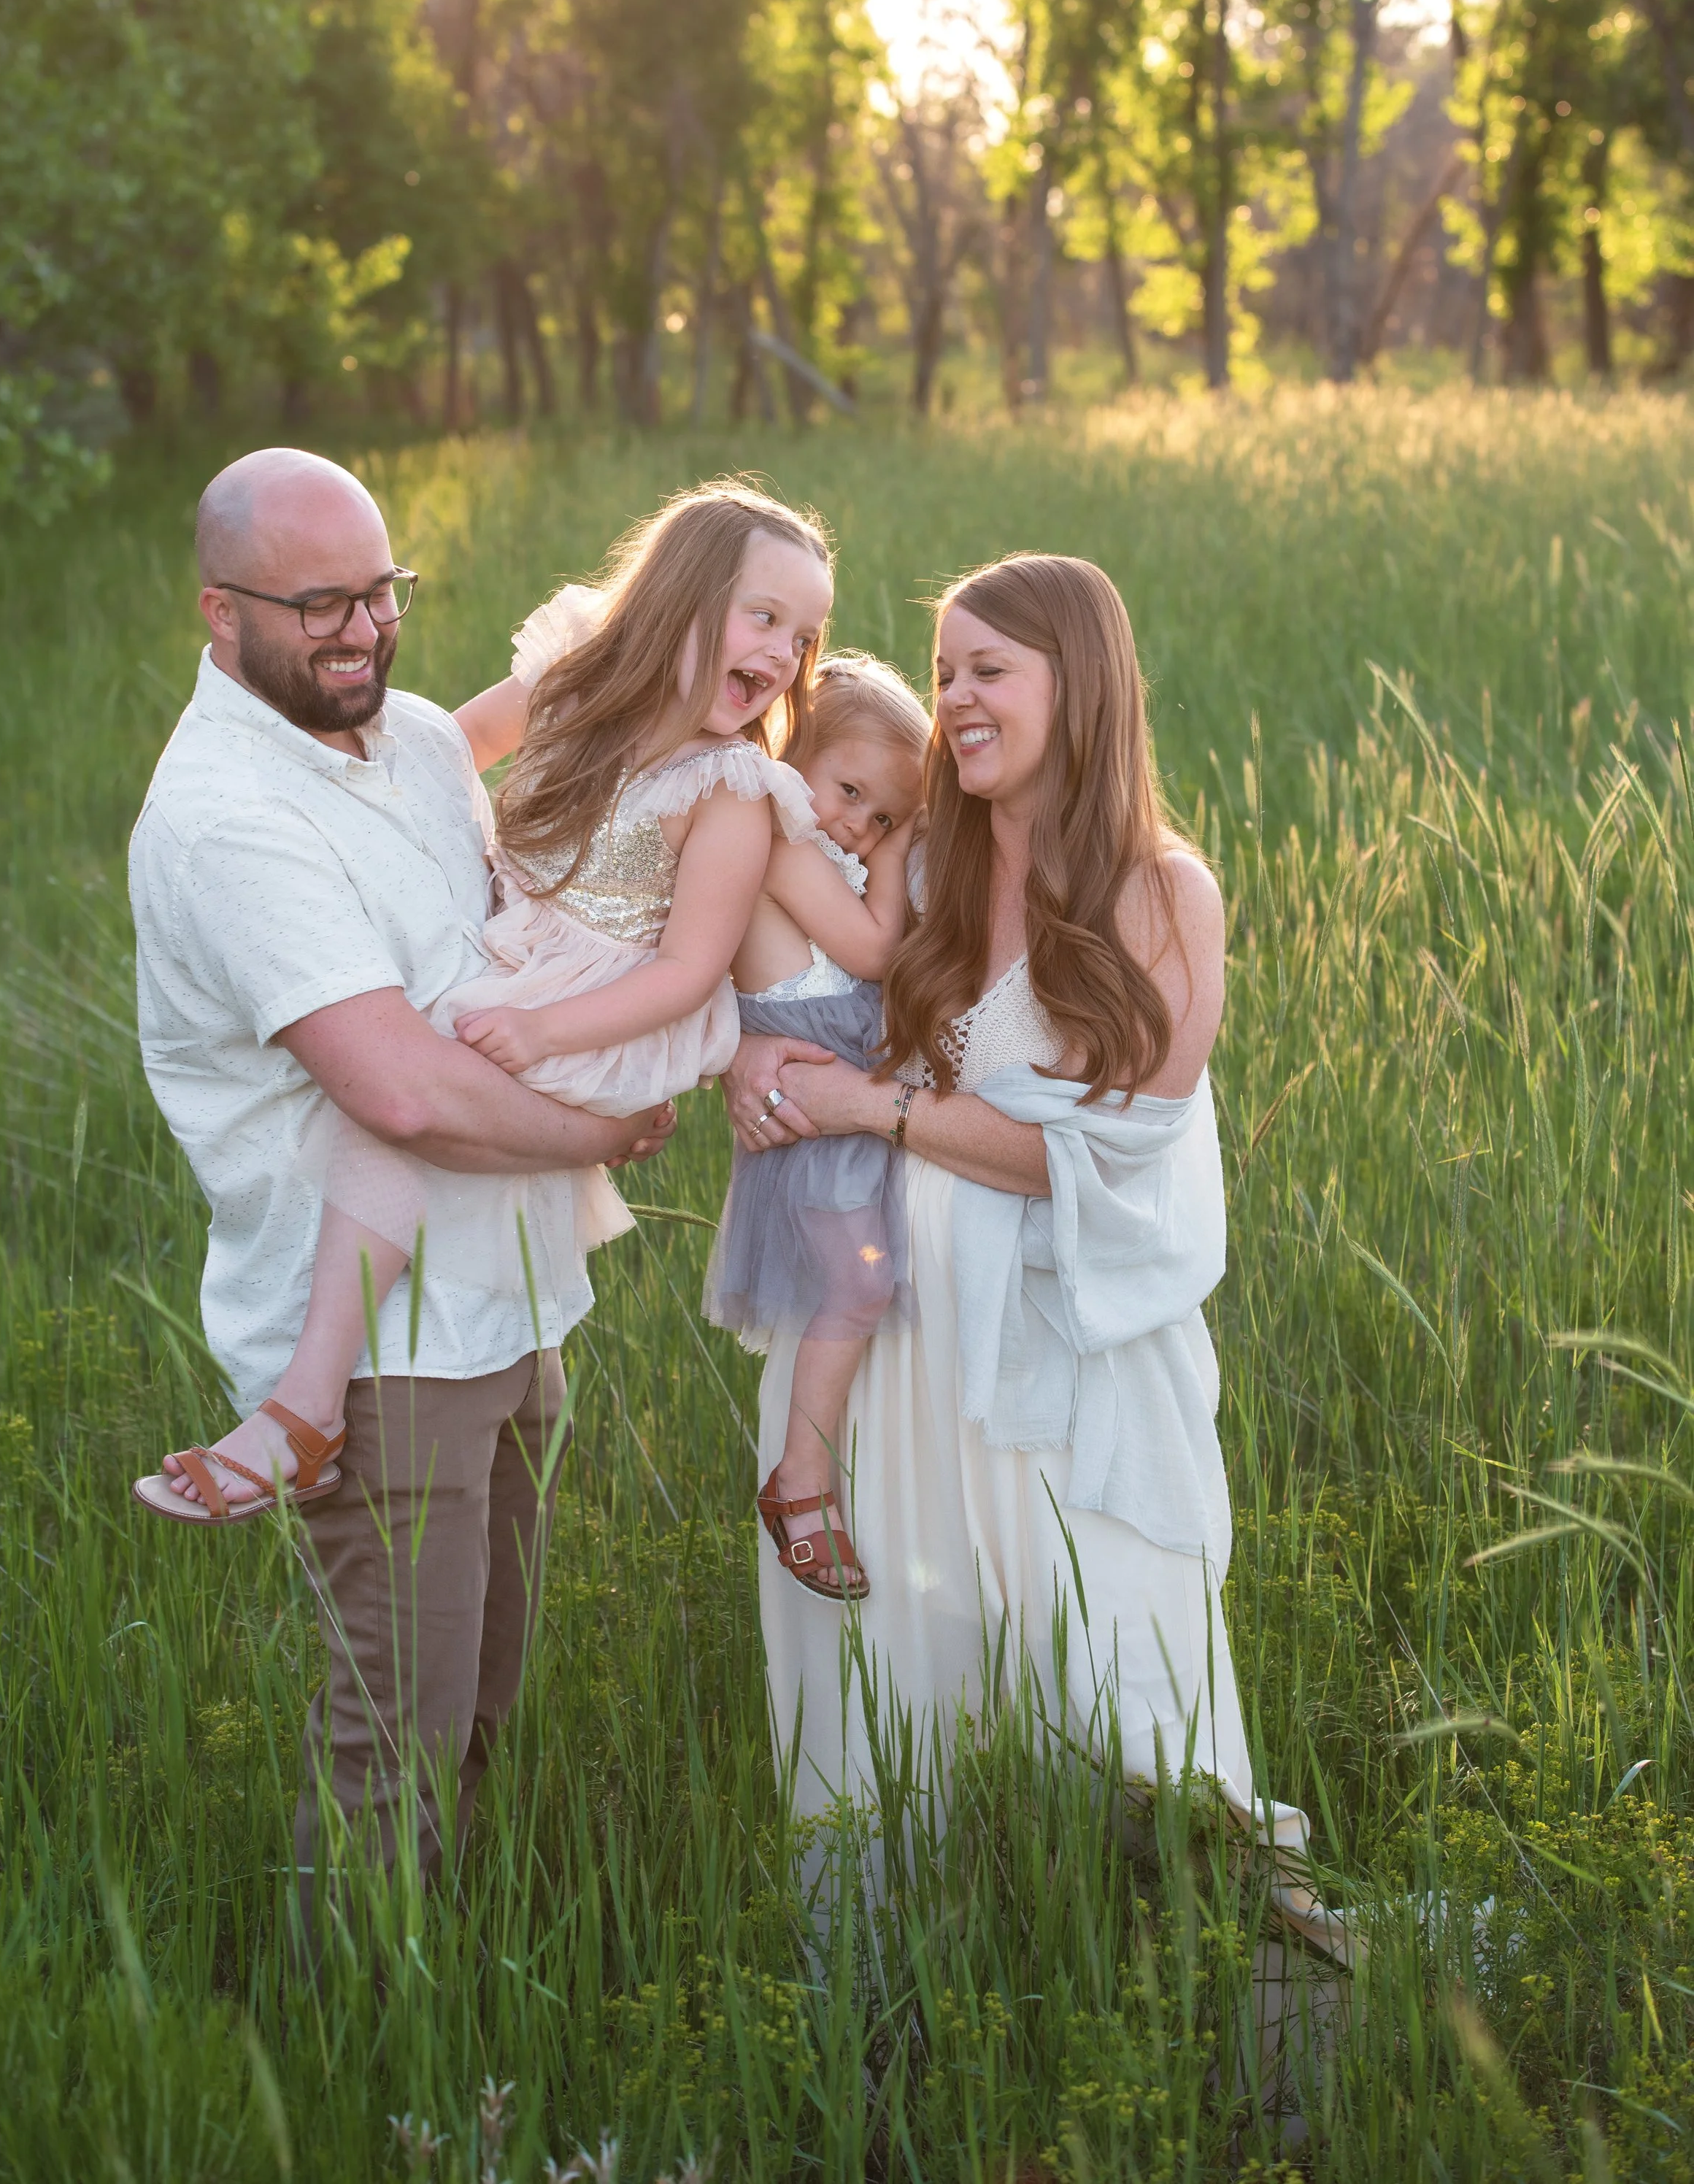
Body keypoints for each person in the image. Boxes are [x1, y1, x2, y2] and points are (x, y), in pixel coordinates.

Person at [722, 555, 1350, 1961]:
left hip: (1066, 1363)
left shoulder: (1160, 894)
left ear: (1083, 683)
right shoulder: (918, 860)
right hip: (888, 1351)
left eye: (987, 669)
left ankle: (1213, 1982)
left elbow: (1110, 1164)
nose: (954, 698)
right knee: (897, 1697)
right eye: (945, 671)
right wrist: (750, 1057)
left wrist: (877, 1107)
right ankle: (902, 2006)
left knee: (1118, 1676)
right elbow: (796, 990)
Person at [126, 447, 677, 1910]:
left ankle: (463, 1990)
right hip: (382, 1347)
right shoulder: (229, 819)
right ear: (218, 611)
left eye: (382, 592)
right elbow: (400, 1091)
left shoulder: (413, 737)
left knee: (482, 1695)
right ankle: (358, 2062)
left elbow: (534, 733)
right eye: (320, 604)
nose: (362, 629)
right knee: (397, 1738)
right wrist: (604, 1132)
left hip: (501, 1297)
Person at [136, 478, 835, 1527]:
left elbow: (695, 962)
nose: (783, 655)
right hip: (424, 1291)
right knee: (404, 1103)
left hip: (568, 1118)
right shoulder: (241, 813)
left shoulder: (718, 783)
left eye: (804, 635)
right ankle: (306, 1409)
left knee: (406, 1109)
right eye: (763, 617)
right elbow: (435, 770)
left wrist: (602, 1032)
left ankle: (304, 1410)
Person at [705, 654, 931, 1601]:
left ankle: (817, 1471)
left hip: (841, 1113)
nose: (857, 825)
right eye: (848, 792)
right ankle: (802, 1477)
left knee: (863, 1288)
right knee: (858, 1292)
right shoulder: (779, 841)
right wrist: (893, 852)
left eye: (880, 816)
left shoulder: (806, 844)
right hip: (816, 1122)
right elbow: (879, 948)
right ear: (788, 745)